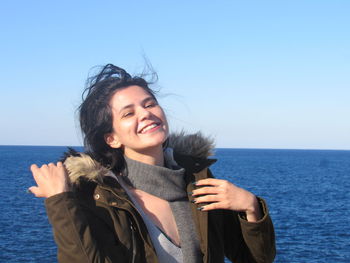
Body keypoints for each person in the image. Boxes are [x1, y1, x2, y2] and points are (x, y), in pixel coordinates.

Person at [29, 64, 276, 263]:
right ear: (111, 138)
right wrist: (60, 202)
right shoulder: (102, 197)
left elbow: (255, 258)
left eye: (149, 104)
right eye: (128, 113)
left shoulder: (197, 181)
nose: (146, 113)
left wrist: (251, 208)